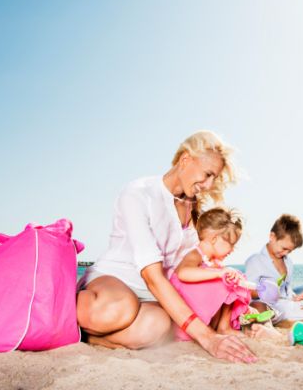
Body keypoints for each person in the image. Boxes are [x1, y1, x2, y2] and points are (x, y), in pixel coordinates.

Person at [76, 131, 257, 363]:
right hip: (115, 280)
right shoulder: (139, 193)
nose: (210, 184)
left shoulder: (192, 209)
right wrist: (208, 338)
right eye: (207, 174)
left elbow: (191, 267)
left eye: (215, 178)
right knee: (120, 307)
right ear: (185, 160)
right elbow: (153, 276)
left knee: (159, 327)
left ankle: (92, 339)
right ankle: (69, 312)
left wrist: (242, 293)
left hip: (151, 295)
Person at [170, 207, 250, 340]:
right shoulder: (195, 253)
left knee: (233, 277)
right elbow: (183, 273)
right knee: (228, 279)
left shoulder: (212, 262)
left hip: (199, 310)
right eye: (231, 244)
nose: (232, 250)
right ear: (214, 239)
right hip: (185, 312)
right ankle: (223, 328)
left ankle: (222, 326)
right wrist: (219, 274)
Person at [245, 214, 303, 322]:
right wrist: (264, 292)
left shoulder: (288, 262)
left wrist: (296, 298)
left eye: (290, 251)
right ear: (272, 237)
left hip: (286, 305)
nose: (286, 253)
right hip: (269, 306)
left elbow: (287, 291)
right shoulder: (255, 261)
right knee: (258, 308)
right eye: (284, 248)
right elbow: (247, 291)